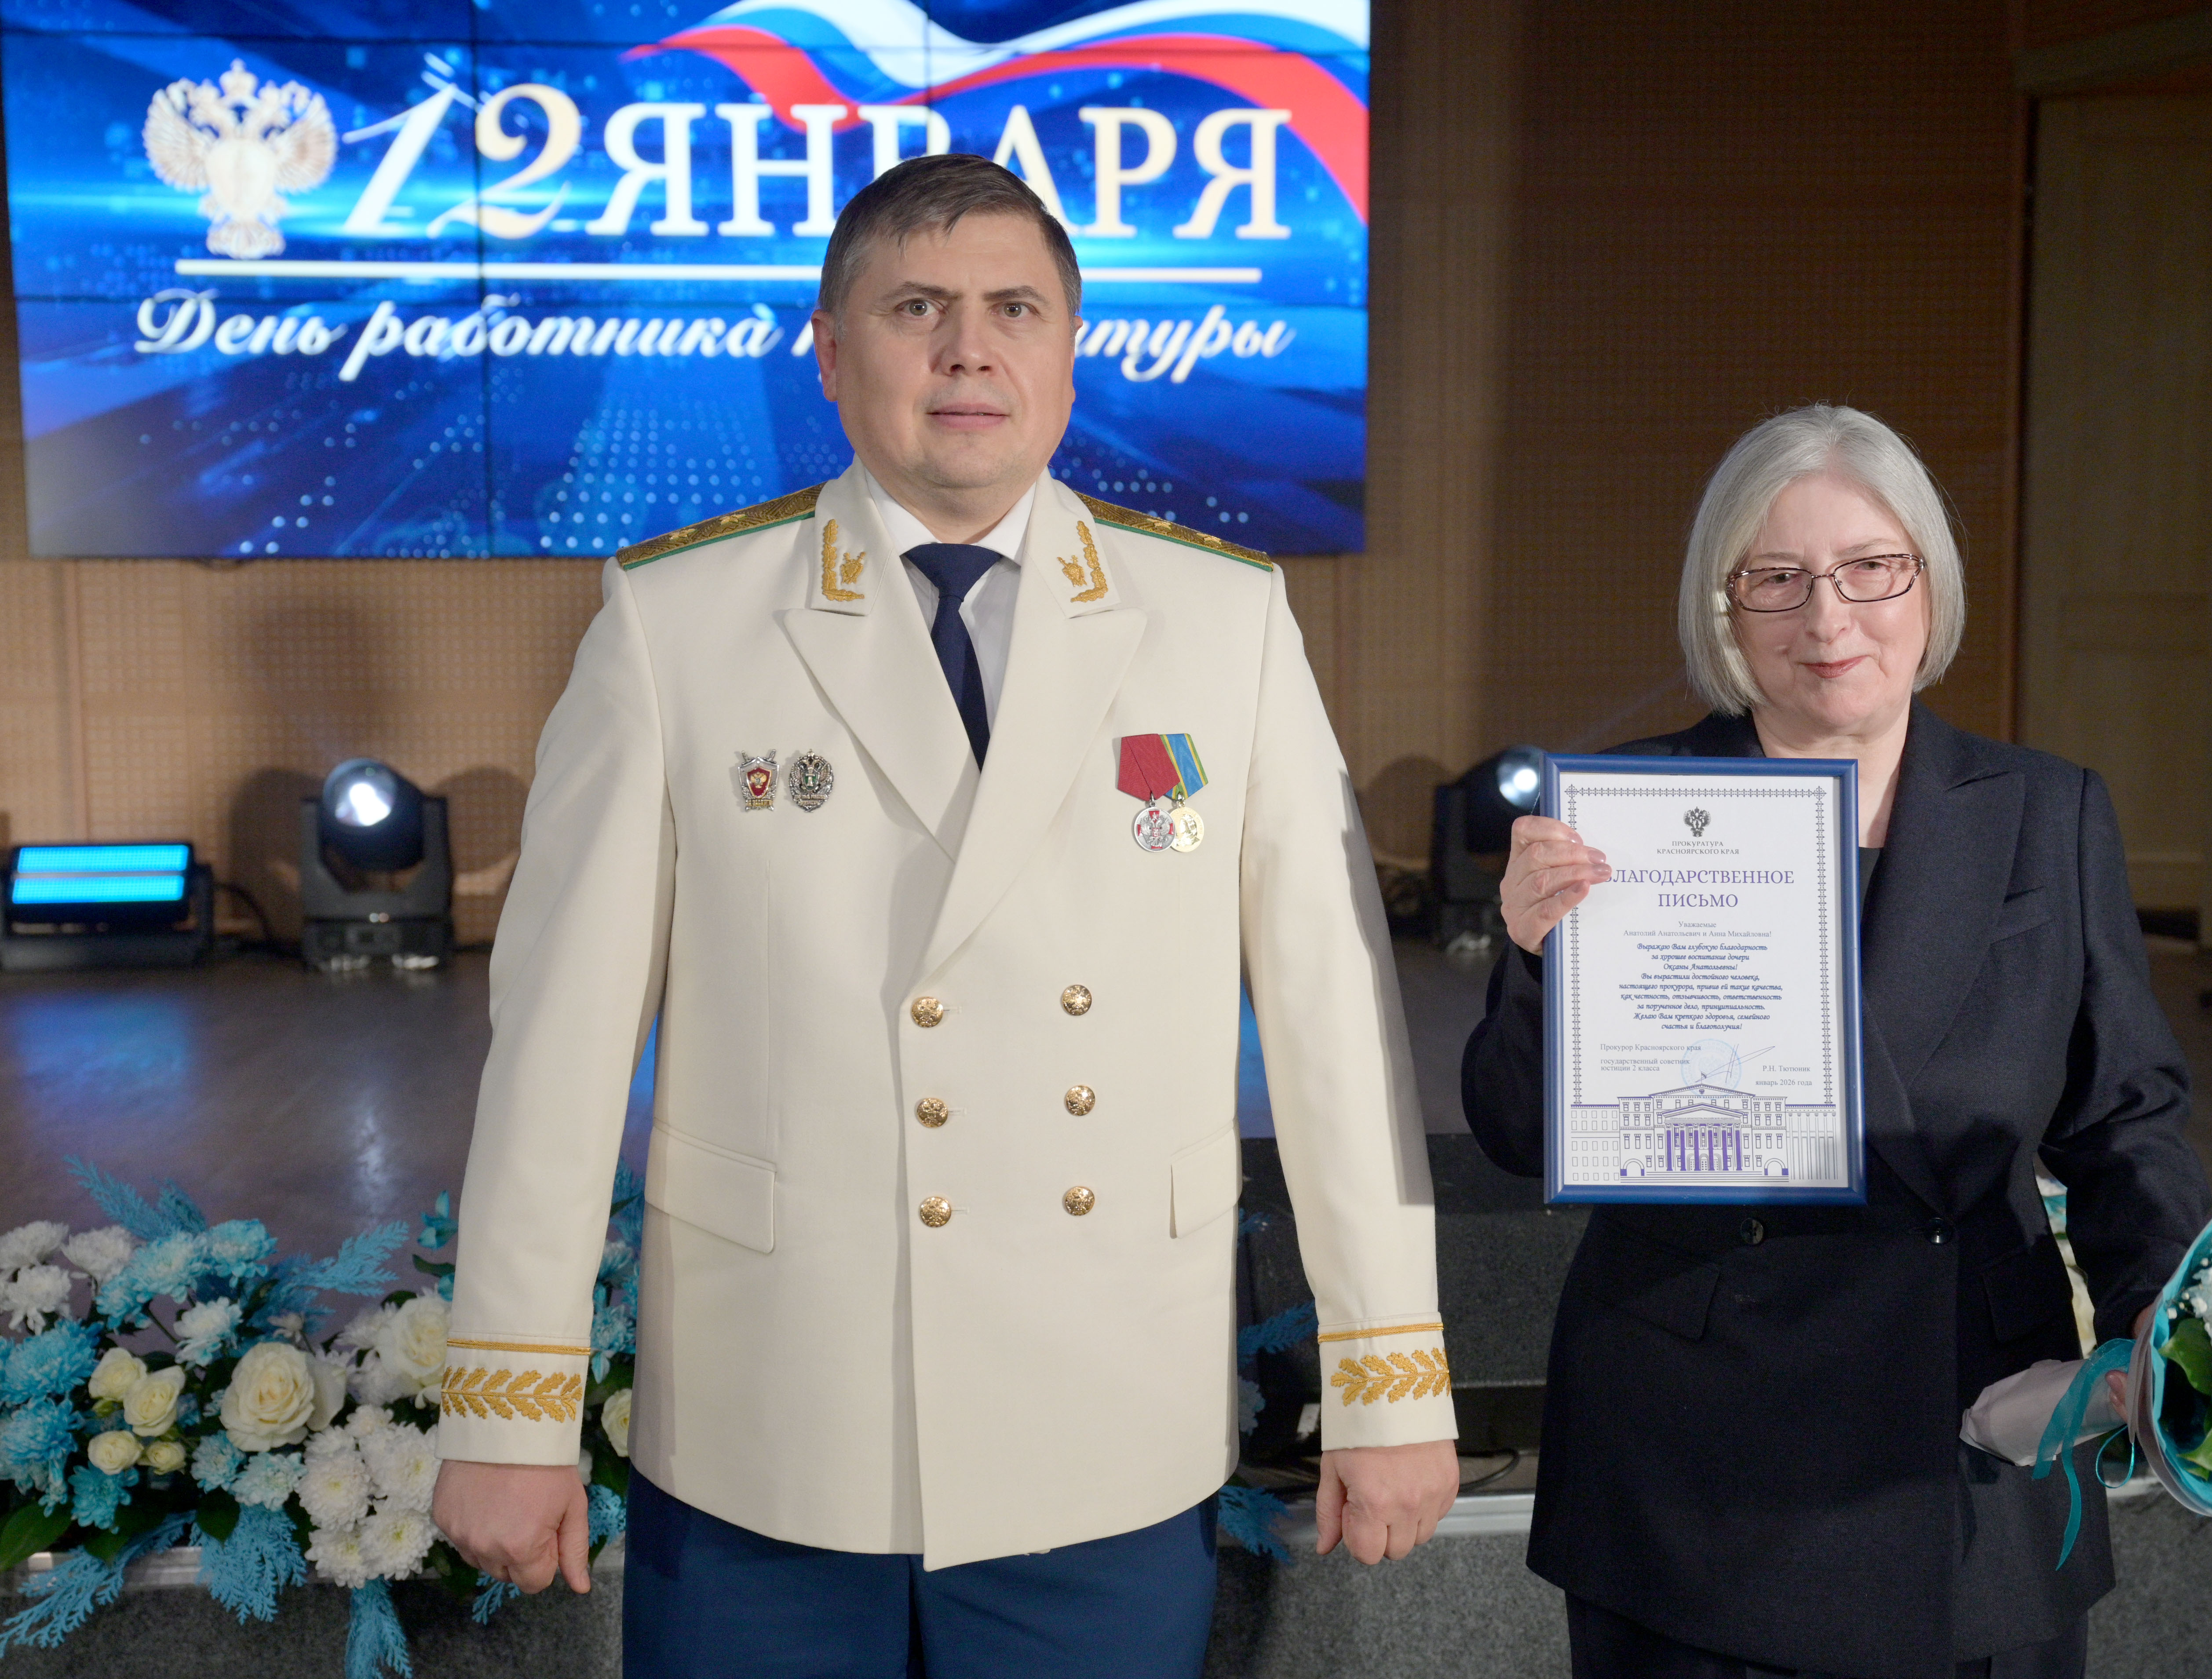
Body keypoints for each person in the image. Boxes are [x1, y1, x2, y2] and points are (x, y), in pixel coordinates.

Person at [431, 153, 1458, 1677]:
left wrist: (1391, 1377)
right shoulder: (677, 622)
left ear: (1070, 346)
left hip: (1106, 1418)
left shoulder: (1222, 620)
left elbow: (1335, 1027)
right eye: (917, 309)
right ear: (831, 350)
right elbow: (558, 1051)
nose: (970, 350)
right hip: (775, 1429)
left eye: (1014, 309)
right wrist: (510, 1409)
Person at [1460, 404, 2208, 1679]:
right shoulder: (1624, 817)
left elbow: (2125, 1116)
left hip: (1973, 1430)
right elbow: (1518, 1132)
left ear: (1929, 584)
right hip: (1697, 1460)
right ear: (1725, 606)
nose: (1829, 618)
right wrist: (1533, 957)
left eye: (1871, 568)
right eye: (1778, 579)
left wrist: (2157, 1320)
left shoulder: (2047, 810)